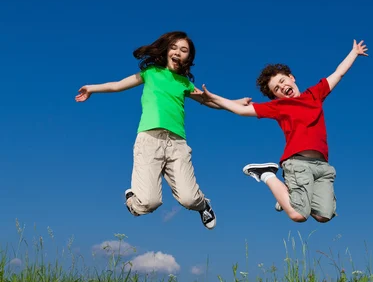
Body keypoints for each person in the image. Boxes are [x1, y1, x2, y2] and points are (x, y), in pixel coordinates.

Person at [75, 31, 251, 229]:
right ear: (166, 51)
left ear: (188, 57)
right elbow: (117, 85)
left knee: (189, 199)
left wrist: (236, 103)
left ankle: (204, 205)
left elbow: (209, 101)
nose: (178, 52)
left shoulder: (185, 83)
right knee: (149, 203)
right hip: (149, 140)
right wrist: (91, 88)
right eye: (174, 47)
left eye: (183, 50)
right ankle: (133, 198)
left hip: (177, 143)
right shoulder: (151, 73)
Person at [197, 40, 368, 223]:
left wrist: (354, 53)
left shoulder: (314, 95)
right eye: (276, 89)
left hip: (322, 165)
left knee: (323, 216)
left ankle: (290, 195)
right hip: (297, 162)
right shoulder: (279, 106)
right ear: (275, 96)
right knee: (298, 215)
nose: (281, 88)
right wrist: (214, 97)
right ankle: (267, 174)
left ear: (291, 78)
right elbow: (241, 110)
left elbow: (338, 73)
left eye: (282, 81)